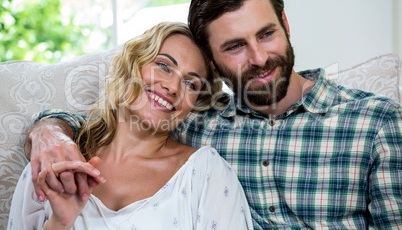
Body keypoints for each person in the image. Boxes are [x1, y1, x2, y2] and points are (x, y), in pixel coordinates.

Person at [24, 0, 402, 229]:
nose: (258, 57)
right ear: (213, 64)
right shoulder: (195, 118)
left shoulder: (377, 123)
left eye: (267, 33)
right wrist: (49, 132)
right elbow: (111, 121)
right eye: (235, 46)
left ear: (285, 25)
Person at [8, 21, 253, 229]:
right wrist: (60, 223)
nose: (172, 87)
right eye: (164, 66)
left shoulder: (205, 174)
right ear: (132, 65)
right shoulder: (51, 158)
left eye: (191, 84)